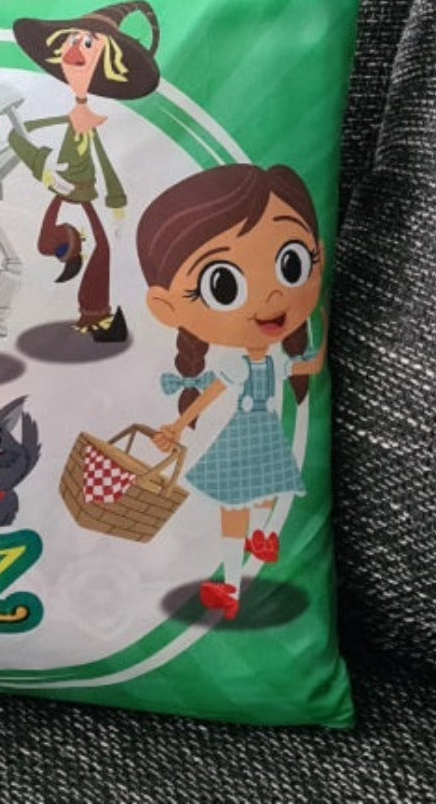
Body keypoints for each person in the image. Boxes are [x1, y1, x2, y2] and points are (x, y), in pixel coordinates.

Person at [136, 164, 328, 620]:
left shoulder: (258, 362)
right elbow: (214, 394)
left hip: (246, 436)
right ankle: (253, 549)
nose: (272, 300)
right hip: (260, 435)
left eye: (292, 265)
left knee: (235, 507)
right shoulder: (249, 363)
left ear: (317, 256)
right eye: (223, 285)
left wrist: (178, 426)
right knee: (260, 492)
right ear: (166, 307)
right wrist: (178, 425)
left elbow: (304, 366)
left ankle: (236, 578)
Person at [9, 1, 160, 340]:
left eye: (88, 43)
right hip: (63, 194)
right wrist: (45, 169)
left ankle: (97, 317)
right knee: (48, 244)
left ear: (108, 60)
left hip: (86, 196)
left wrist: (116, 202)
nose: (76, 50)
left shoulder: (96, 118)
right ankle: (69, 253)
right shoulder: (60, 116)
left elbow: (103, 160)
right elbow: (18, 136)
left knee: (103, 250)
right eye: (72, 41)